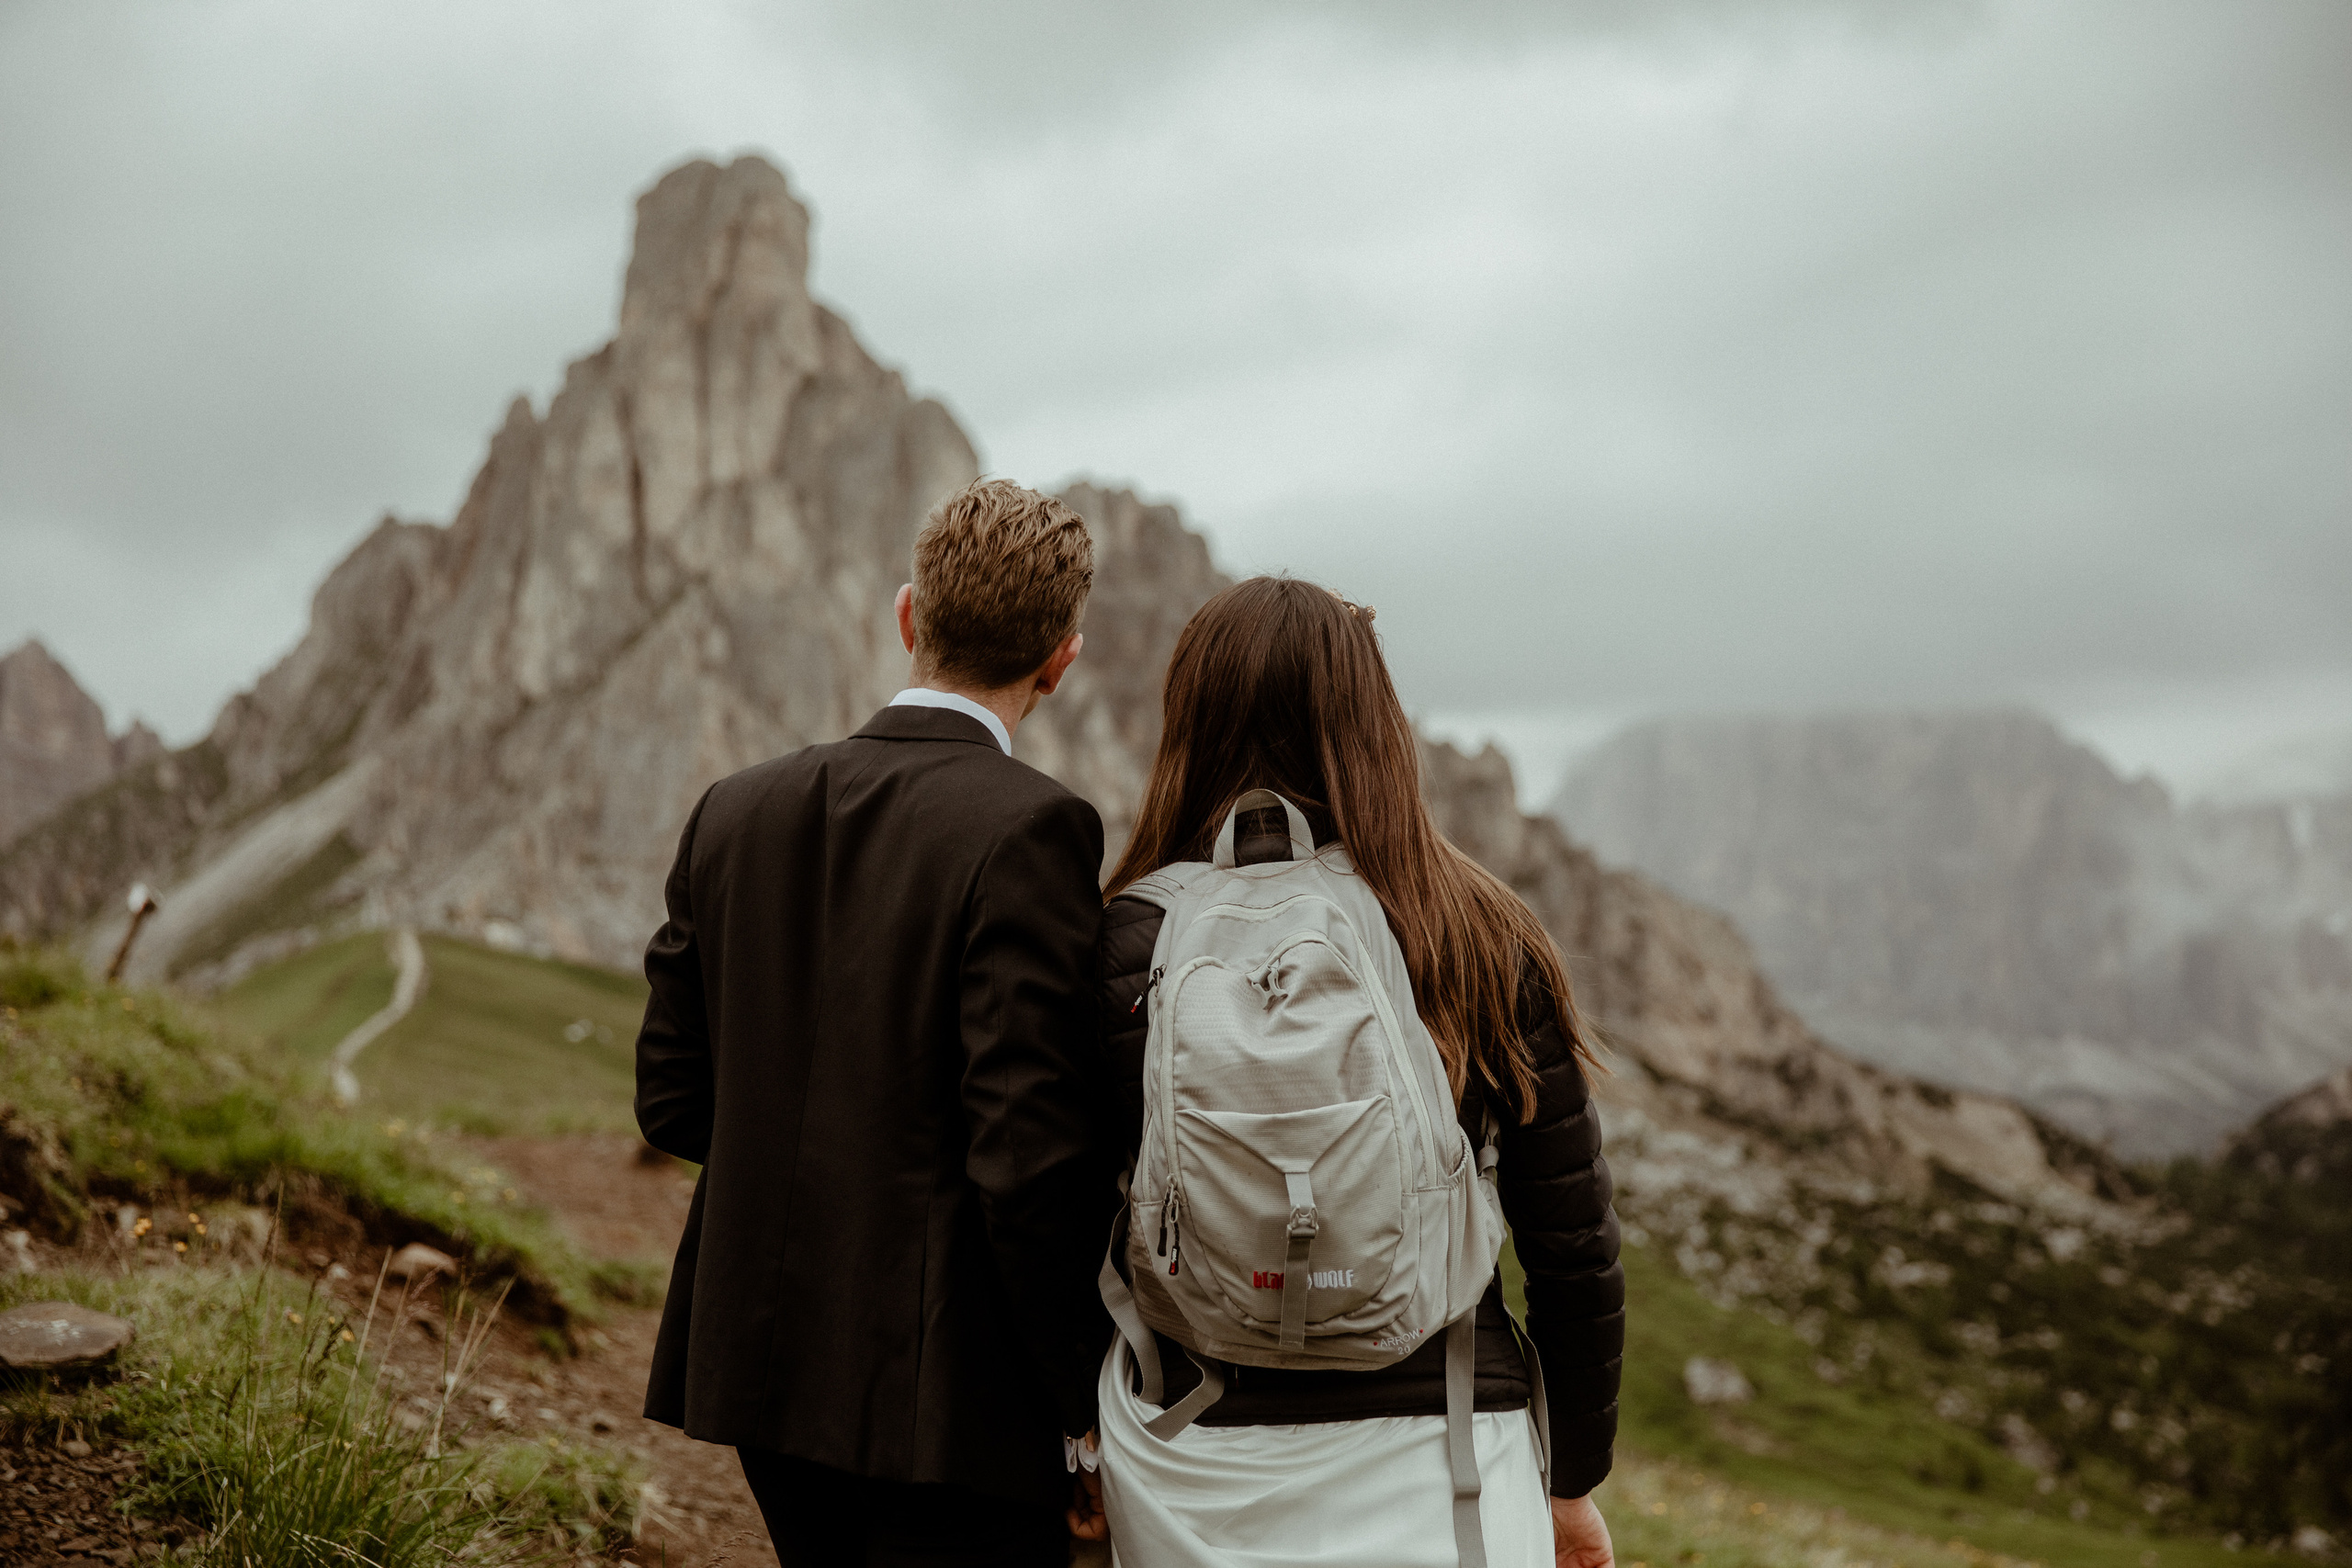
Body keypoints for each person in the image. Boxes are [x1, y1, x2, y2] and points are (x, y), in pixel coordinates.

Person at [1091, 577, 1623, 1568]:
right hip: (1446, 1460)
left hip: (1192, 1469)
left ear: (1190, 720)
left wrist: (1075, 1448)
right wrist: (1570, 1482)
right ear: (1372, 721)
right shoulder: (1471, 932)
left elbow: (1065, 1221)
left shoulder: (1131, 941)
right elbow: (1571, 1244)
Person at [634, 478, 1115, 1568]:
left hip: (758, 1368)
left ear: (907, 615)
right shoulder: (1034, 829)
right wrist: (1081, 1406)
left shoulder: (733, 809)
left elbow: (670, 1101)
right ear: (1059, 661)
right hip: (945, 1398)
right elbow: (1024, 1158)